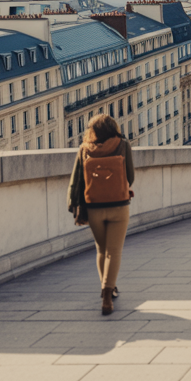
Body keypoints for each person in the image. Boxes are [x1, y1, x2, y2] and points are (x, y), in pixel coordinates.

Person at [67, 114, 135, 316]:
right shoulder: (123, 145)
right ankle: (107, 293)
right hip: (119, 206)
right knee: (114, 251)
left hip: (94, 207)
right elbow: (130, 177)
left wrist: (74, 207)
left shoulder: (84, 149)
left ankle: (107, 287)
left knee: (101, 250)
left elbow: (76, 181)